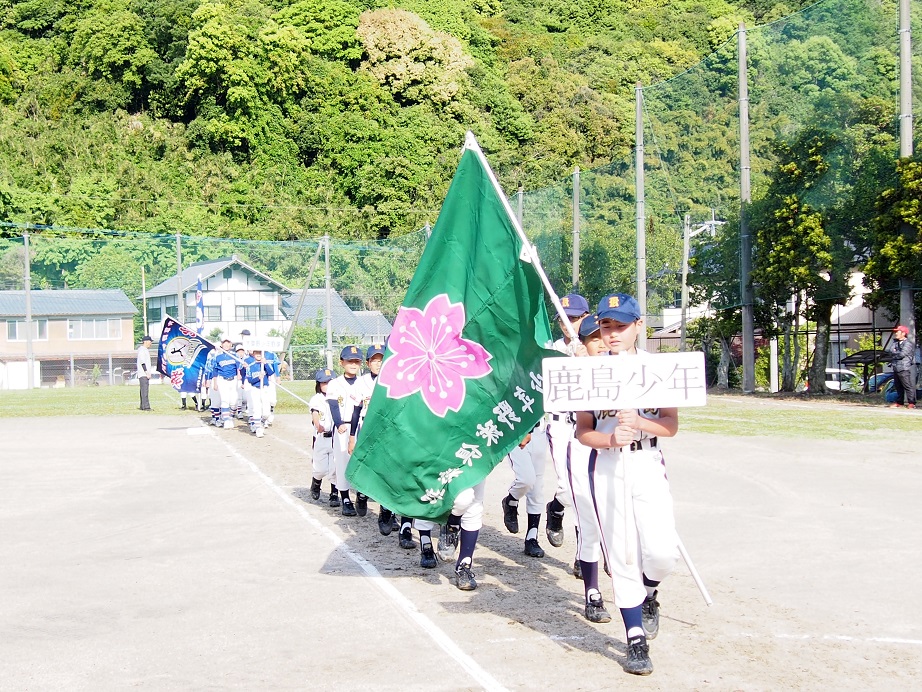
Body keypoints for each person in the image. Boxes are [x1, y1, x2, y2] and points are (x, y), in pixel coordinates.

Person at [574, 293, 681, 677]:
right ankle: (634, 637)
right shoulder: (588, 371)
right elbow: (583, 431)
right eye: (607, 325)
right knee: (620, 553)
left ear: (639, 326)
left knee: (663, 552)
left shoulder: (658, 368)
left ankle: (649, 591)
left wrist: (638, 423)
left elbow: (670, 424)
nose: (613, 333)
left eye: (621, 325)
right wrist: (611, 439)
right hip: (607, 465)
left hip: (647, 461)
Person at [568, 313, 613, 623]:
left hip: (621, 451)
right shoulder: (573, 372)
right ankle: (593, 592)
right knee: (589, 522)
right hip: (583, 447)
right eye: (593, 339)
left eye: (604, 336)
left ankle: (647, 591)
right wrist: (580, 367)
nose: (601, 344)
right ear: (583, 344)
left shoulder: (628, 368)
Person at [544, 293, 591, 548]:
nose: (567, 324)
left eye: (572, 318)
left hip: (591, 425)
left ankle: (583, 554)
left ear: (585, 318)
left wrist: (588, 358)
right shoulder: (552, 350)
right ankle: (556, 508)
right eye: (562, 319)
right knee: (567, 488)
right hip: (561, 424)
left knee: (585, 491)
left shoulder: (596, 346)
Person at [327, 345, 364, 516]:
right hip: (344, 426)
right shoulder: (335, 383)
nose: (353, 364)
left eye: (356, 361)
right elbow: (334, 405)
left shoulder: (363, 382)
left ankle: (361, 494)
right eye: (350, 361)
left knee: (361, 462)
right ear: (341, 363)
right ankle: (345, 498)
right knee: (342, 460)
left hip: (362, 425)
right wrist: (339, 423)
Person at [501, 429, 549, 558]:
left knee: (537, 488)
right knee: (526, 479)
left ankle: (531, 538)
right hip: (518, 428)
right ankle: (511, 501)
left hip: (540, 432)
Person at [309, 369, 338, 503]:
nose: (327, 385)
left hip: (336, 437)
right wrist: (317, 425)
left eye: (330, 382)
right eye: (324, 383)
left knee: (335, 467)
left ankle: (334, 493)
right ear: (318, 384)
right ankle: (316, 484)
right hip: (321, 438)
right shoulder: (317, 399)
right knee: (320, 469)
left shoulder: (339, 397)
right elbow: (315, 413)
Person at [212, 339, 240, 429]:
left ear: (231, 345)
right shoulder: (217, 356)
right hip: (222, 380)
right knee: (225, 401)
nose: (226, 345)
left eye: (228, 343)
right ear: (222, 345)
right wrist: (215, 383)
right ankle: (226, 420)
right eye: (225, 343)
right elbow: (215, 370)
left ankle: (230, 417)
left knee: (234, 402)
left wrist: (239, 375)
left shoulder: (235, 355)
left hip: (233, 379)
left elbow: (238, 367)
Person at [887, 326, 916, 409]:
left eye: (898, 332)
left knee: (907, 386)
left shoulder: (908, 343)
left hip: (904, 367)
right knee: (898, 386)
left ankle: (911, 402)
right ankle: (899, 402)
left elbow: (902, 354)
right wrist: (895, 353)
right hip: (896, 367)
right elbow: (891, 351)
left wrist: (895, 353)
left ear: (903, 333)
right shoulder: (895, 342)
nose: (896, 333)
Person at [136, 335, 153, 411]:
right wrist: (147, 372)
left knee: (143, 390)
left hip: (143, 373)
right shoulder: (142, 350)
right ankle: (146, 407)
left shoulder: (144, 350)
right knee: (145, 390)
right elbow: (142, 362)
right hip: (143, 374)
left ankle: (142, 406)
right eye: (150, 341)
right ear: (145, 342)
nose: (151, 343)